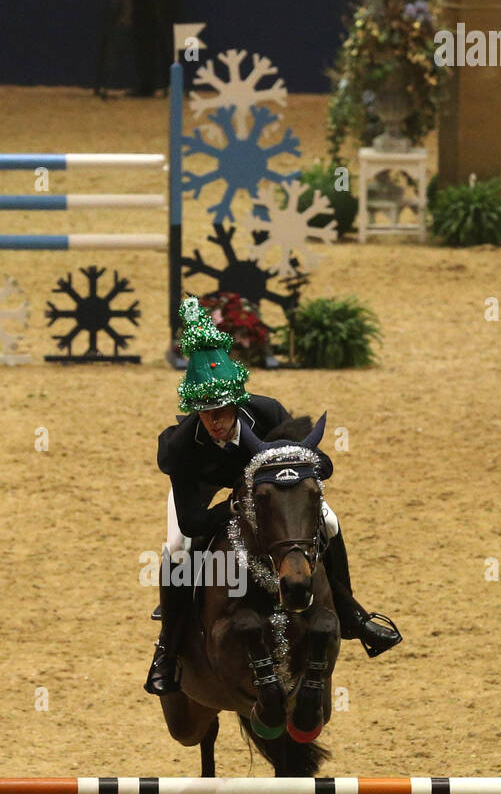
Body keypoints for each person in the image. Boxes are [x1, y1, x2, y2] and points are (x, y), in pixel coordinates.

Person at [145, 297, 402, 695]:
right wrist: (233, 509)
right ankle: (169, 648)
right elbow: (195, 520)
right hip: (208, 494)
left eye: (222, 411)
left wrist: (313, 466)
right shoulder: (178, 448)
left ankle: (352, 613)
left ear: (236, 402)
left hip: (267, 486)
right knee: (178, 548)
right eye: (205, 412)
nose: (215, 422)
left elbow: (307, 462)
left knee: (329, 522)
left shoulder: (266, 413)